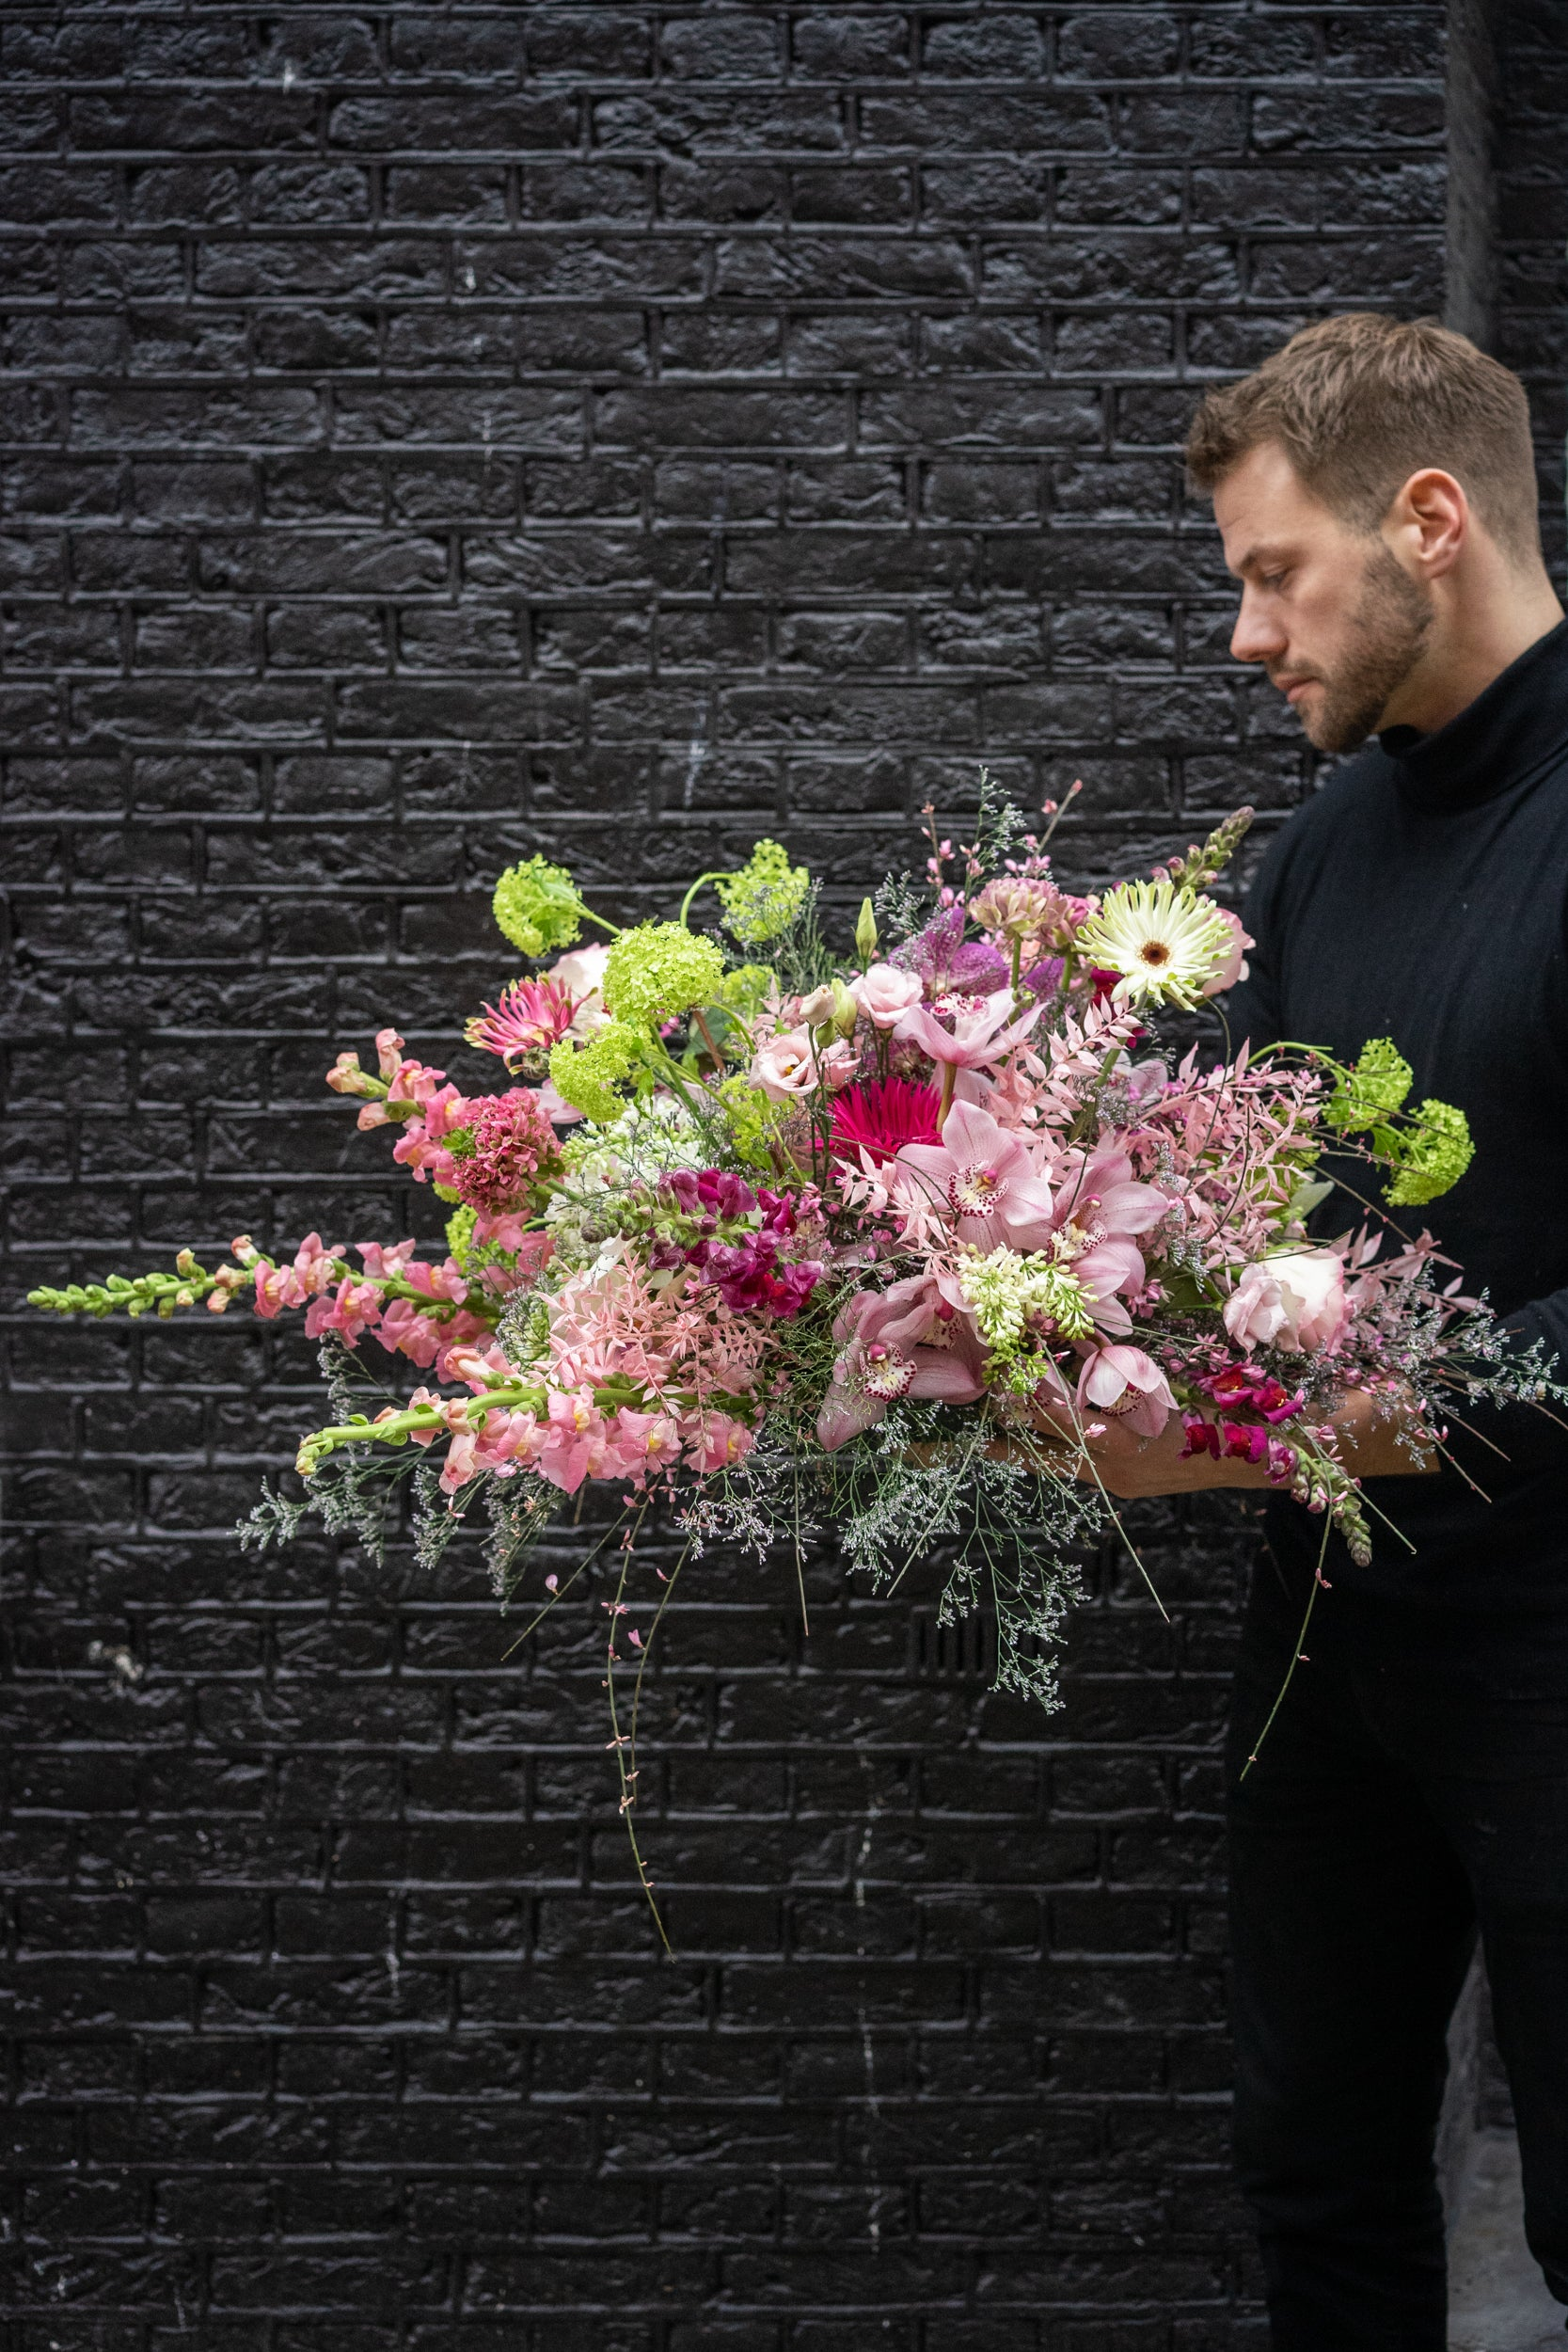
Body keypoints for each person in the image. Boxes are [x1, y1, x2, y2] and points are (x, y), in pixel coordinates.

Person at [1051, 313, 1568, 2348]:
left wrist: (1354, 1413)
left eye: (1270, 573)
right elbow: (1242, 1219)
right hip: (1329, 1634)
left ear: (1422, 520)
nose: (1243, 634)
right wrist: (1039, 1323)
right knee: (1317, 2173)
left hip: (1552, 1636)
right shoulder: (1326, 837)